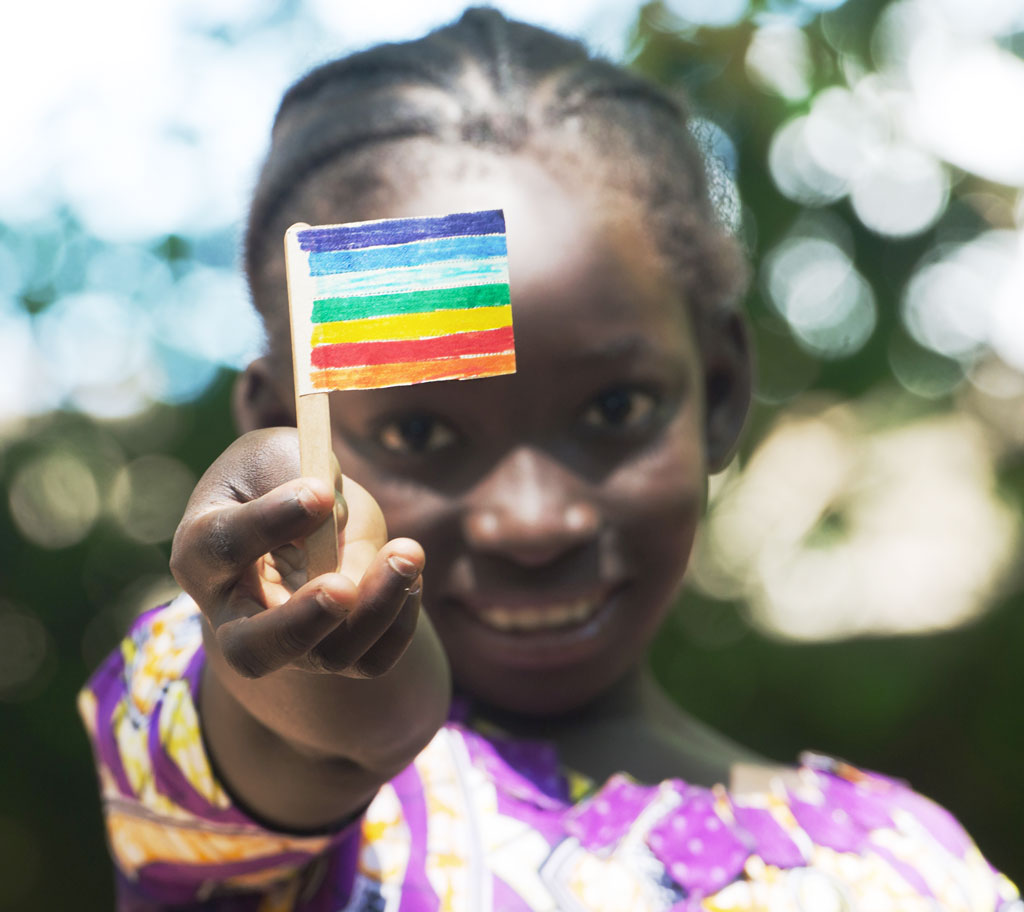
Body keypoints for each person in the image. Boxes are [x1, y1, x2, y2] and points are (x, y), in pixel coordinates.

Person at [78, 8, 1019, 911]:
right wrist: (314, 578)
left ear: (724, 390)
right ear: (283, 418)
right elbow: (334, 730)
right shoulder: (305, 794)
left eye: (615, 408)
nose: (532, 521)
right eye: (419, 433)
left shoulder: (909, 870)